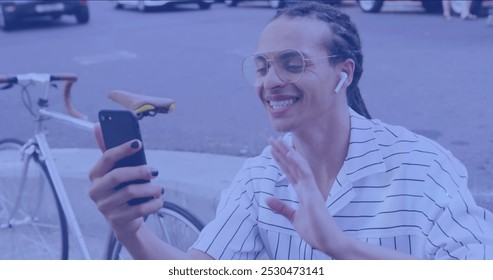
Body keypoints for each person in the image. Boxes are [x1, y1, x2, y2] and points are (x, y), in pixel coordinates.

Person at [88, 1, 493, 259]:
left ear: (343, 73)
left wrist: (342, 247)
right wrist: (130, 230)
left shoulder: (421, 166)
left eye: (292, 63)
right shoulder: (259, 180)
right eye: (262, 67)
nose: (270, 82)